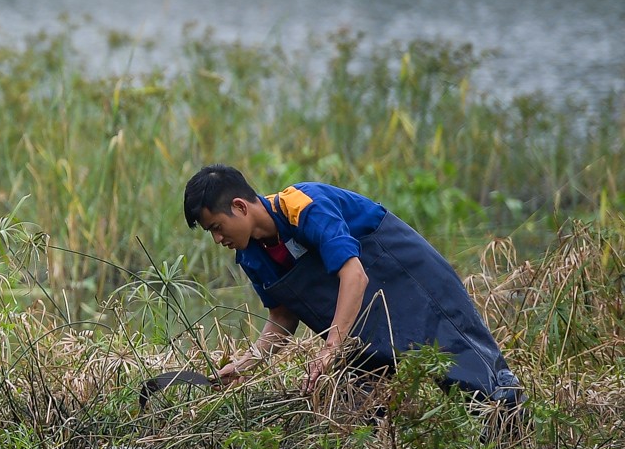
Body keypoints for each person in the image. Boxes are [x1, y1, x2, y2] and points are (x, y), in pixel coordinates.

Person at [182, 164, 520, 405]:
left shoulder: (301, 205)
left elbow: (354, 274)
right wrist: (247, 363)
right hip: (359, 326)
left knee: (478, 385)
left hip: (411, 281)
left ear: (240, 207)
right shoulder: (251, 256)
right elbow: (282, 318)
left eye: (217, 226)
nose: (217, 239)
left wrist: (330, 350)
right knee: (353, 405)